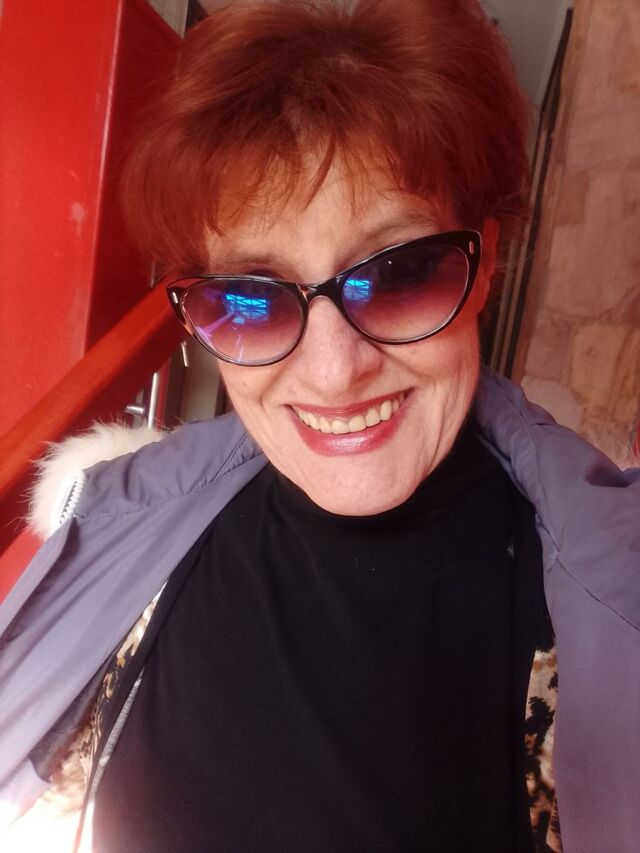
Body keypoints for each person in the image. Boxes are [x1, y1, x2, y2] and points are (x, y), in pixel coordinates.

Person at [0, 1, 638, 851]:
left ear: (483, 266)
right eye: (251, 298)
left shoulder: (605, 608)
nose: (335, 371)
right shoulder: (125, 531)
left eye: (400, 272)